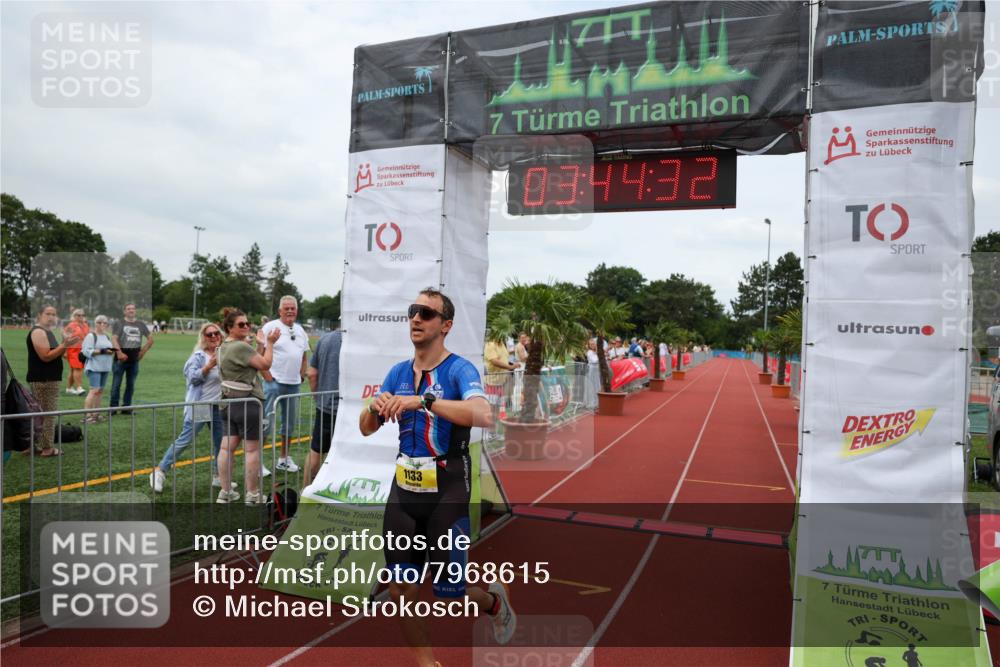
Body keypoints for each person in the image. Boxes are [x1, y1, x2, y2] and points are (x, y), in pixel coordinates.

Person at [359, 288, 516, 665]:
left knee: (450, 593)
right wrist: (374, 407)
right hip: (404, 493)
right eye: (413, 311)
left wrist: (424, 401)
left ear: (445, 325)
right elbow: (366, 427)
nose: (416, 318)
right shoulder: (397, 372)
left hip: (447, 491)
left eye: (426, 313)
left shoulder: (459, 370)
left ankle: (493, 603)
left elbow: (484, 415)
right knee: (401, 590)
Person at [150, 322, 227, 493]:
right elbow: (192, 377)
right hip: (201, 405)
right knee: (185, 440)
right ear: (203, 338)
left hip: (218, 406)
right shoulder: (199, 356)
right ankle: (160, 471)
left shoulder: (224, 354)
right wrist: (208, 366)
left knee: (220, 443)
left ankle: (218, 476)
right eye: (209, 334)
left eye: (216, 333)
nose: (214, 336)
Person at [216, 308, 280, 504]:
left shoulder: (223, 347)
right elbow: (265, 365)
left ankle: (226, 492)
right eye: (241, 324)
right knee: (252, 450)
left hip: (228, 403)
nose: (246, 326)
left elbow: (253, 365)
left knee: (226, 449)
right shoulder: (240, 347)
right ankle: (252, 494)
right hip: (247, 403)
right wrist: (270, 343)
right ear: (229, 328)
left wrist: (259, 345)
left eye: (247, 323)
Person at [257, 296, 309, 473]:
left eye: (292, 308)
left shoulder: (300, 330)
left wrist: (301, 376)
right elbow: (259, 355)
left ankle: (284, 459)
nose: (290, 311)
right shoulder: (270, 327)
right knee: (266, 422)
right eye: (286, 308)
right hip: (274, 383)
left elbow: (304, 356)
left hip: (293, 385)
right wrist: (268, 378)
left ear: (297, 310)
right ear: (280, 311)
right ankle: (257, 462)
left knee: (289, 424)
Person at [26, 304, 81, 457]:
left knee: (39, 414)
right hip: (44, 379)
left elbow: (56, 354)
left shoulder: (47, 332)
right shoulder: (39, 332)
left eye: (53, 314)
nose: (51, 317)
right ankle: (47, 448)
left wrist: (65, 344)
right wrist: (65, 344)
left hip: (47, 378)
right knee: (47, 415)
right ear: (39, 315)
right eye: (48, 313)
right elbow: (45, 356)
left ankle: (32, 446)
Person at [304, 328, 342, 487]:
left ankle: (306, 492)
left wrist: (318, 398)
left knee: (316, 451)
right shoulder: (359, 341)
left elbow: (312, 373)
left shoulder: (325, 339)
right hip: (351, 409)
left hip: (326, 406)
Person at [110, 303, 154, 412]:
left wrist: (142, 352)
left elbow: (150, 339)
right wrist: (119, 353)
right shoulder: (119, 323)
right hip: (120, 360)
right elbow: (114, 339)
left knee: (130, 385)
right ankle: (113, 408)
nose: (131, 310)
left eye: (133, 309)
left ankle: (126, 407)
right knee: (116, 385)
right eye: (128, 309)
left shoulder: (141, 324)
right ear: (124, 311)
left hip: (134, 360)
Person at [81, 315, 116, 423]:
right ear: (95, 324)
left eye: (105, 323)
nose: (102, 324)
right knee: (94, 390)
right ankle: (87, 415)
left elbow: (109, 349)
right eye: (100, 322)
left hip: (105, 367)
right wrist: (103, 351)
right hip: (94, 367)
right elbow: (86, 351)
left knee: (100, 391)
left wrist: (111, 351)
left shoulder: (107, 336)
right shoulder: (91, 336)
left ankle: (96, 414)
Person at [63, 308, 89, 395]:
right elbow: (65, 338)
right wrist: (64, 351)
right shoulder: (71, 325)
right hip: (73, 350)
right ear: (74, 316)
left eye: (82, 315)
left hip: (82, 350)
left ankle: (69, 388)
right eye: (78, 315)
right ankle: (79, 388)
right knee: (78, 368)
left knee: (73, 369)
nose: (81, 317)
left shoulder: (85, 325)